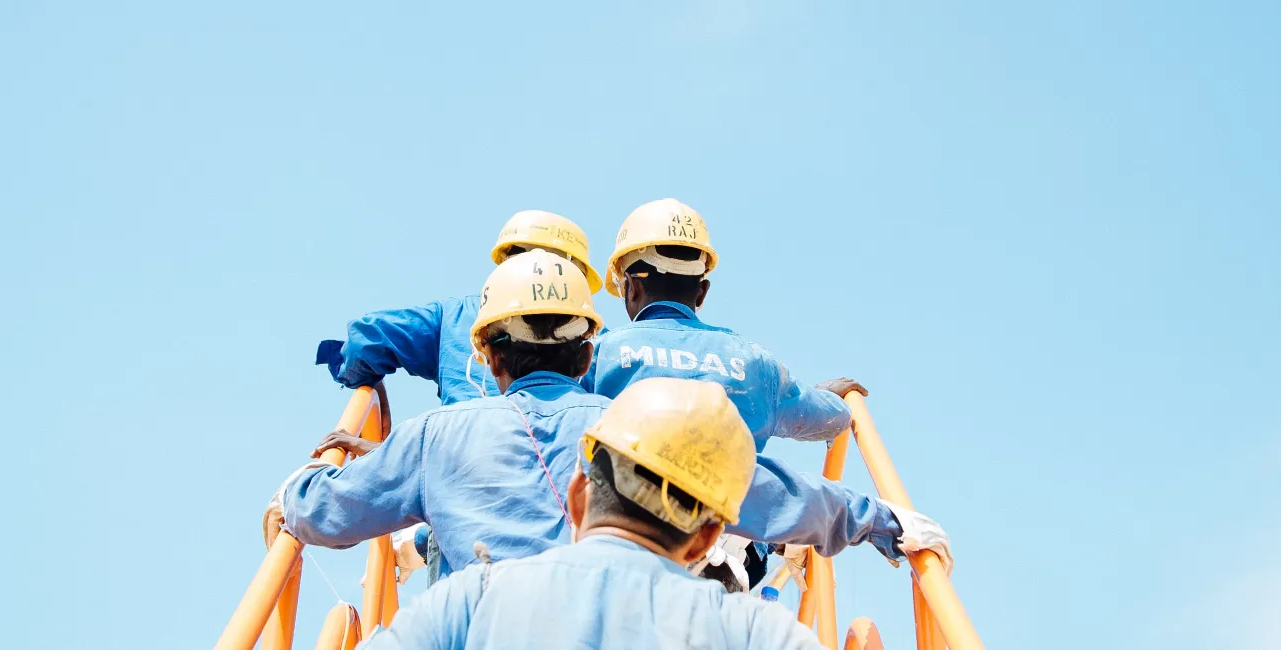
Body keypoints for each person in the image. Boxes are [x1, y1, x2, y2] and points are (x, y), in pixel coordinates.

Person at [267, 252, 942, 580]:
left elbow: (323, 514)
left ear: (488, 354)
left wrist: (309, 477)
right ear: (588, 345)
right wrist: (881, 520)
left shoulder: (434, 438)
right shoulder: (639, 430)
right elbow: (769, 493)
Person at [361, 378, 952, 650]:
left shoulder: (473, 597)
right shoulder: (757, 632)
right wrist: (879, 519)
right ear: (709, 538)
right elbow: (788, 489)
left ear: (575, 495)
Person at [586, 198, 874, 588]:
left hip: (619, 553)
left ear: (631, 287)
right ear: (701, 291)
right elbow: (828, 420)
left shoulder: (598, 354)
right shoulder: (755, 363)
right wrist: (832, 398)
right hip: (724, 554)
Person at [315, 209, 602, 407]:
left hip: (457, 471)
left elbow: (365, 341)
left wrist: (367, 381)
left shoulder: (452, 319)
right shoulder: (595, 339)